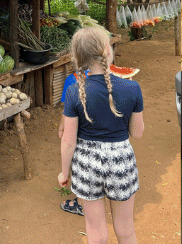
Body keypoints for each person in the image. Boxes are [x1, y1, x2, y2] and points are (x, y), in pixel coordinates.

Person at [58, 27, 144, 244]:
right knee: (125, 229)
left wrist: (63, 172)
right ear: (107, 50)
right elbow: (137, 133)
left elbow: (68, 141)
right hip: (121, 161)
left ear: (78, 57)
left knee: (95, 232)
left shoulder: (73, 91)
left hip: (86, 163)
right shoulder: (132, 88)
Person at [58, 69, 88, 216]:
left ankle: (81, 204)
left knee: (79, 164)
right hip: (98, 133)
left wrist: (61, 127)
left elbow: (66, 111)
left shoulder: (71, 80)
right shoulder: (107, 77)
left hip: (78, 131)